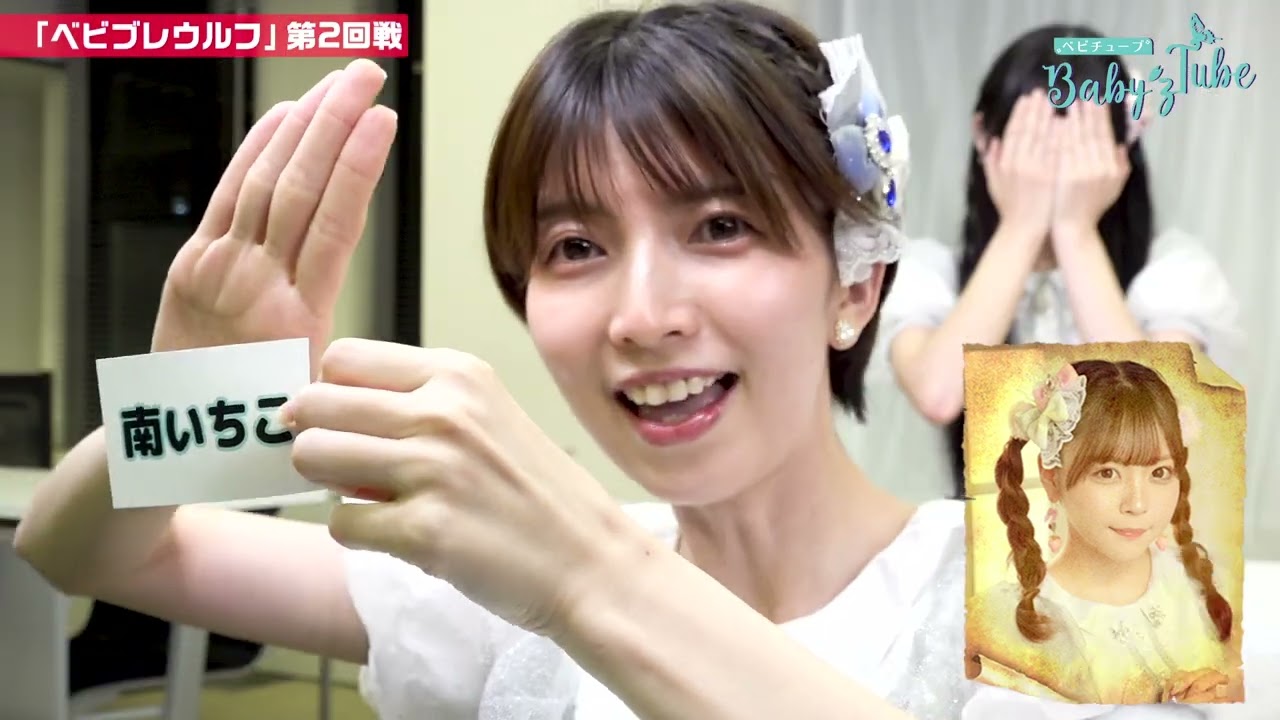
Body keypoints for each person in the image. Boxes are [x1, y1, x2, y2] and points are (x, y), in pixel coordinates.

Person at [9, 4, 1268, 719]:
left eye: (718, 227)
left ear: (852, 286)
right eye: (574, 247)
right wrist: (195, 407)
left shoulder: (1057, 581)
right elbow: (84, 552)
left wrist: (583, 574)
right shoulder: (503, 577)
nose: (641, 312)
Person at [879, 24, 1241, 500]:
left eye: (1080, 149)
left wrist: (1076, 232)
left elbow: (1155, 421)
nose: (1053, 173)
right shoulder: (932, 275)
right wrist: (1021, 227)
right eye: (1032, 147)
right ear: (985, 139)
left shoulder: (1174, 274)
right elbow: (939, 393)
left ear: (1121, 153)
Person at [966, 360, 1242, 705]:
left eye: (1159, 472)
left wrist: (1222, 694)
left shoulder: (1199, 586)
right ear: (1051, 476)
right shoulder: (1007, 624)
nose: (1137, 504)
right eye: (1108, 473)